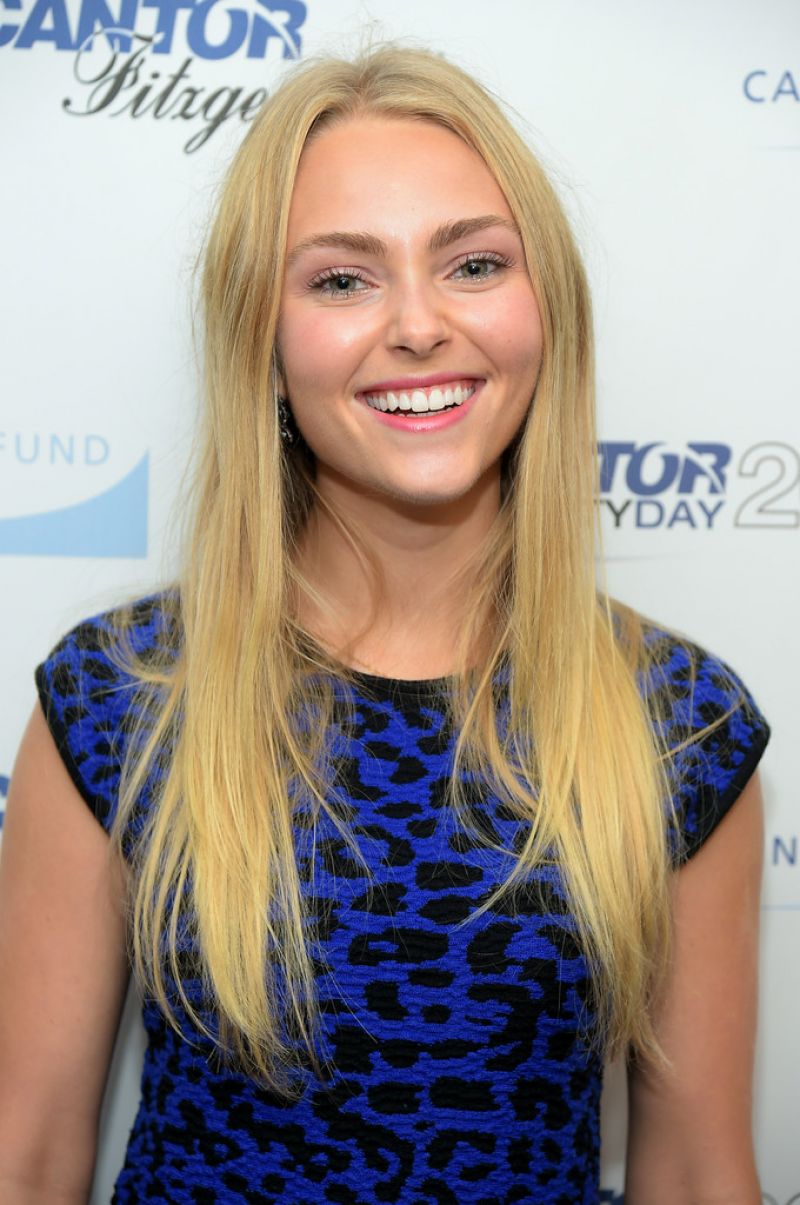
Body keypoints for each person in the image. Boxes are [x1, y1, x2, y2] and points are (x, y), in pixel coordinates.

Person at [0, 44, 770, 1205]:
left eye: (472, 263)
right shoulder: (120, 694)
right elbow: (26, 1156)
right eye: (341, 280)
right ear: (262, 342)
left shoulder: (678, 719)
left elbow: (697, 1170)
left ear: (546, 309)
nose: (417, 324)